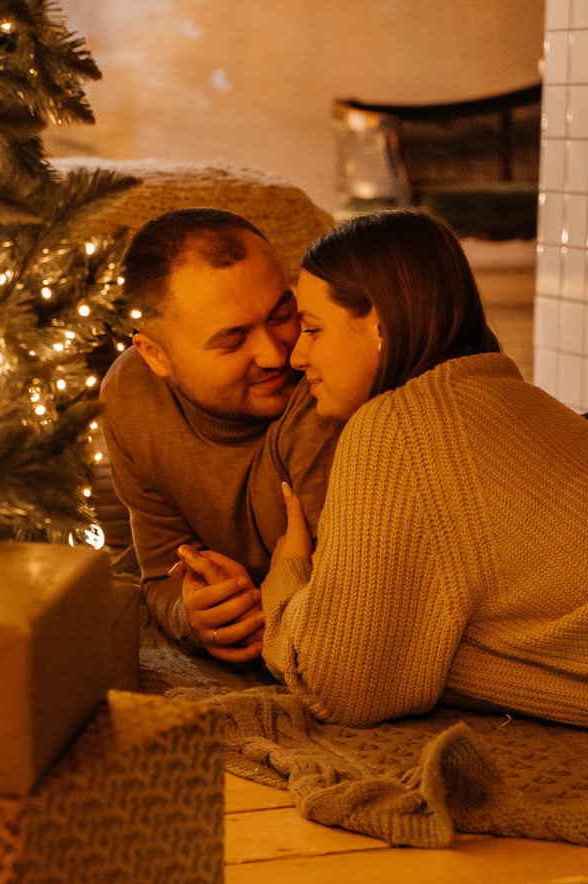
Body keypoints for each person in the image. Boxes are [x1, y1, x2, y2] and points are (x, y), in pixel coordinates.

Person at [261, 208, 588, 728]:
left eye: (313, 329)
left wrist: (286, 580)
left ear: (381, 324)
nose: (296, 356)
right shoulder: (515, 398)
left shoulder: (397, 431)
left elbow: (335, 687)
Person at [101, 207, 341, 663]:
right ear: (155, 355)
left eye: (282, 313)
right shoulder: (130, 397)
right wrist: (197, 618)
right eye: (232, 340)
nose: (276, 355)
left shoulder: (326, 381)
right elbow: (160, 573)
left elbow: (346, 608)